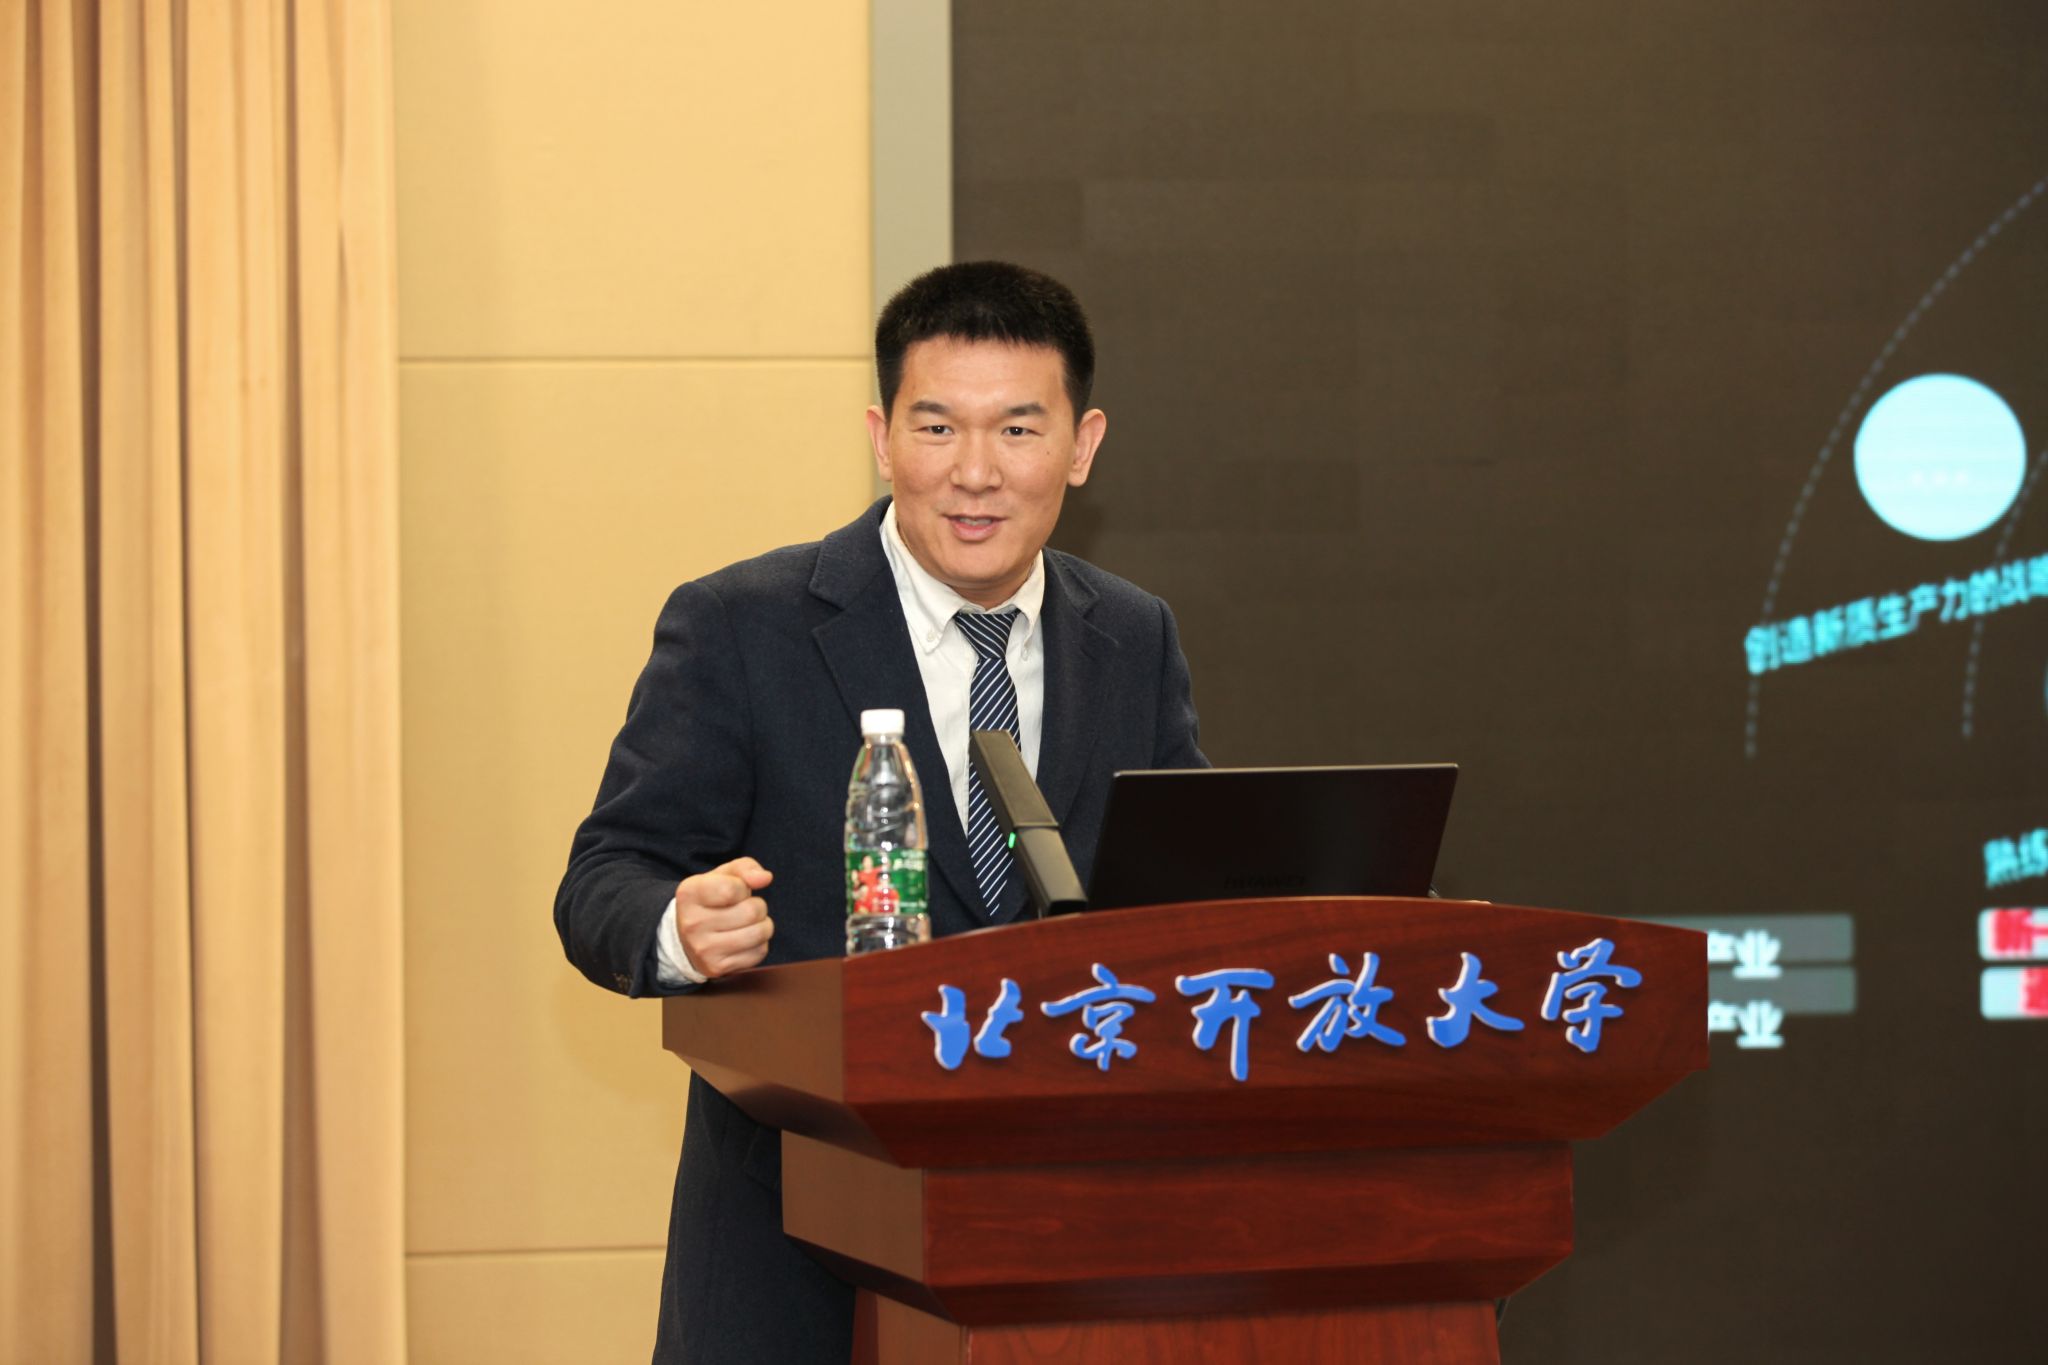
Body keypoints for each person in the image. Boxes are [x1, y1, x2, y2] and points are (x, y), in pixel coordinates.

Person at [554, 261, 1206, 1363]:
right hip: (792, 1244)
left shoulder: (1132, 636)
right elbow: (603, 879)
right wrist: (677, 926)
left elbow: (1183, 888)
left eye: (1017, 430)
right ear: (881, 436)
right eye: (937, 427)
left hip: (1060, 1243)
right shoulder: (742, 625)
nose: (974, 473)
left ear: (1082, 446)